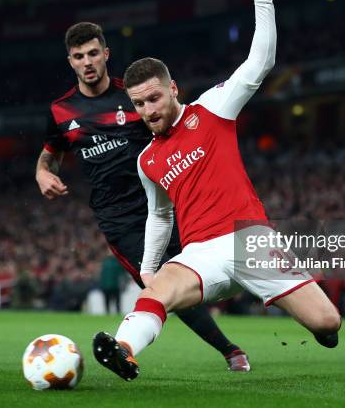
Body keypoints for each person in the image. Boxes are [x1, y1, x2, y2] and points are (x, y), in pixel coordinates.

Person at [93, 0, 341, 381]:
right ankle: (123, 350)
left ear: (172, 89)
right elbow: (160, 215)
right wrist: (151, 267)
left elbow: (258, 65)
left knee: (326, 324)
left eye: (153, 98)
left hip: (250, 240)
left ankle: (321, 324)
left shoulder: (212, 108)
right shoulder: (147, 160)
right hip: (199, 254)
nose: (148, 109)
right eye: (138, 104)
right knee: (158, 292)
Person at [36, 22, 250, 370]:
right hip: (119, 218)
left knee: (212, 266)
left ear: (105, 54)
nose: (87, 62)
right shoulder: (60, 112)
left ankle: (291, 297)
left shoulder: (134, 96)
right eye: (79, 56)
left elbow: (172, 126)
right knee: (164, 285)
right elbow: (50, 153)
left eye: (93, 53)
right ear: (70, 62)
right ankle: (230, 350)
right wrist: (43, 172)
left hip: (164, 202)